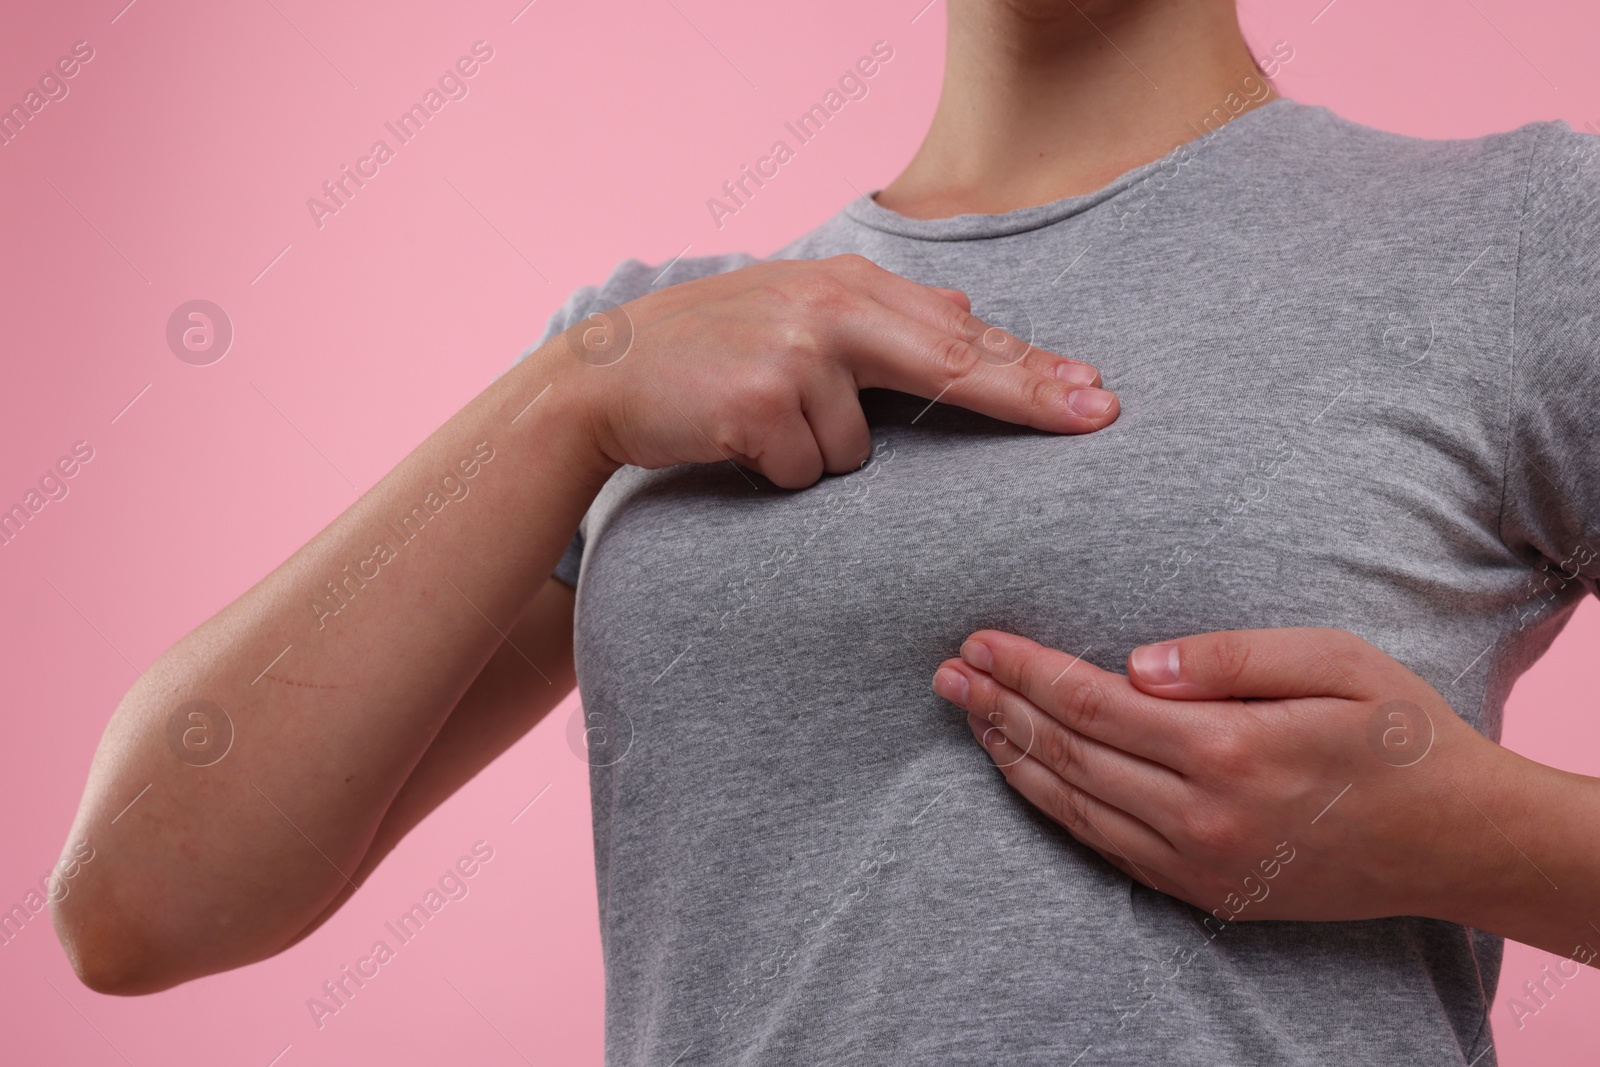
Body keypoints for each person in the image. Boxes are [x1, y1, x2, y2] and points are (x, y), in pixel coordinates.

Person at [52, 0, 1600, 1063]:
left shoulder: (1520, 240)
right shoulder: (658, 358)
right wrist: (562, 400)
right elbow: (138, 898)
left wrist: (1469, 836)